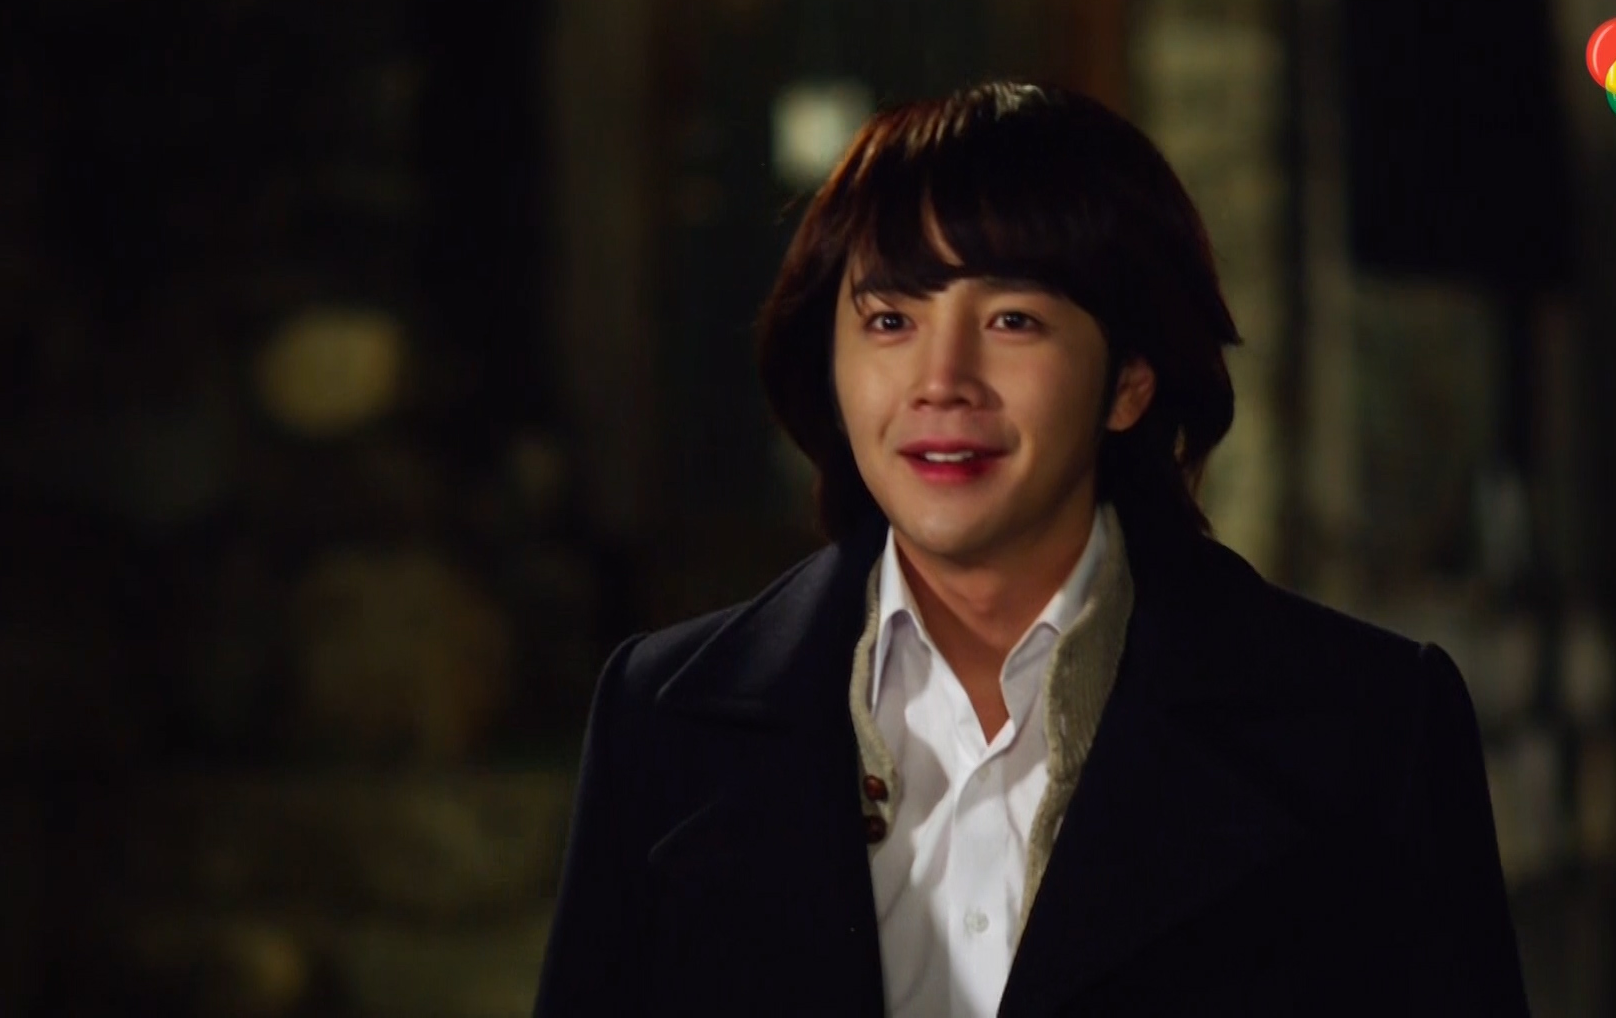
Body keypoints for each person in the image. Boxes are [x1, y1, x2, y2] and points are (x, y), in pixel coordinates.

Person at [533, 81, 1529, 1016]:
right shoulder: (662, 720)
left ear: (1129, 379)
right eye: (890, 319)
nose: (942, 379)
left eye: (1012, 320)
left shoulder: (1367, 729)